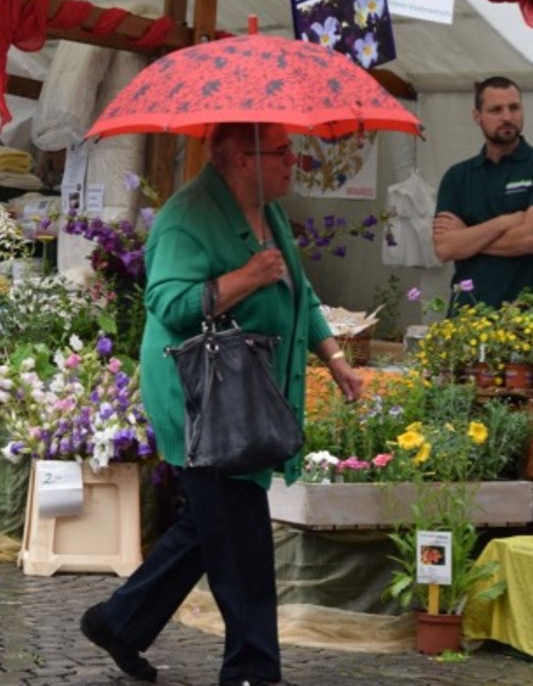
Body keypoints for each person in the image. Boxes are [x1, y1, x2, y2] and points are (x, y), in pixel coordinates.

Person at [79, 121, 363, 686]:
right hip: (204, 402)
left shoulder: (268, 211)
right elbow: (168, 301)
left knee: (209, 530)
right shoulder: (188, 217)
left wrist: (334, 358)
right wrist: (244, 278)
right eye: (282, 152)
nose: (293, 163)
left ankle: (118, 622)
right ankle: (252, 671)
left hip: (247, 396)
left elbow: (297, 290)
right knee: (244, 547)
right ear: (239, 158)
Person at [433, 77, 533, 310]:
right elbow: (445, 248)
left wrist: (467, 237)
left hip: (525, 317)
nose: (507, 117)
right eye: (496, 110)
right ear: (477, 116)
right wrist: (503, 222)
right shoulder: (457, 176)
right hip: (466, 317)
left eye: (514, 107)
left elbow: (532, 239)